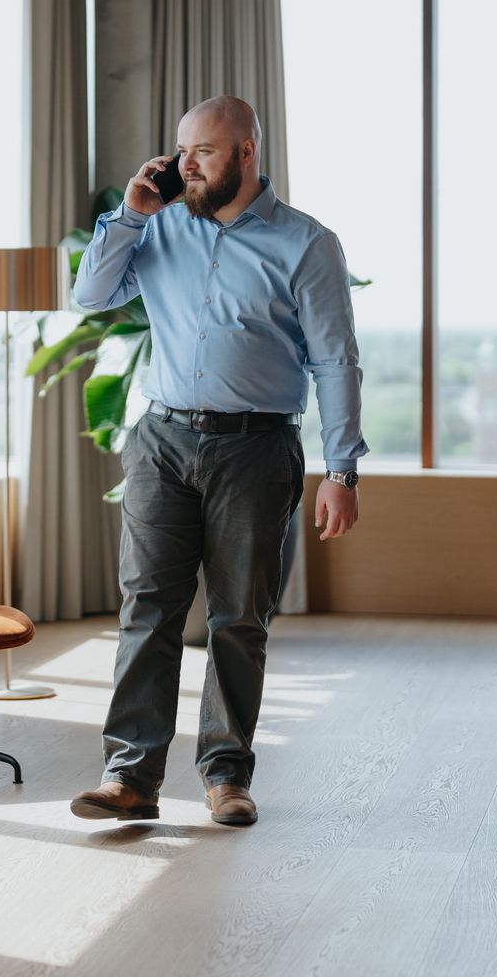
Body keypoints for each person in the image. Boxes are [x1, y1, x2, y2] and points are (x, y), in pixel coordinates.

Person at [67, 94, 366, 827]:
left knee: (238, 618)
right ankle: (130, 776)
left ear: (246, 153)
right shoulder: (160, 227)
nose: (185, 165)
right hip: (162, 442)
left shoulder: (305, 243)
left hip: (257, 449)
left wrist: (342, 470)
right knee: (147, 606)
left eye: (203, 151)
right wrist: (132, 213)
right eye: (181, 151)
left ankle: (226, 774)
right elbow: (90, 294)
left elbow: (335, 360)